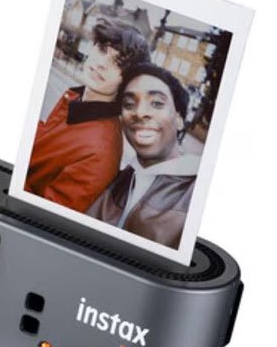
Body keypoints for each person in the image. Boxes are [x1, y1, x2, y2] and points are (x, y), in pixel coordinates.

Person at [25, 18, 150, 213]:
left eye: (118, 63)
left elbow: (43, 215)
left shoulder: (100, 152)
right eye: (102, 49)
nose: (102, 64)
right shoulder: (76, 98)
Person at [87, 63, 198, 249]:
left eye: (157, 103)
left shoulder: (196, 195)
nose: (139, 113)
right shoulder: (118, 178)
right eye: (129, 105)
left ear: (179, 120)